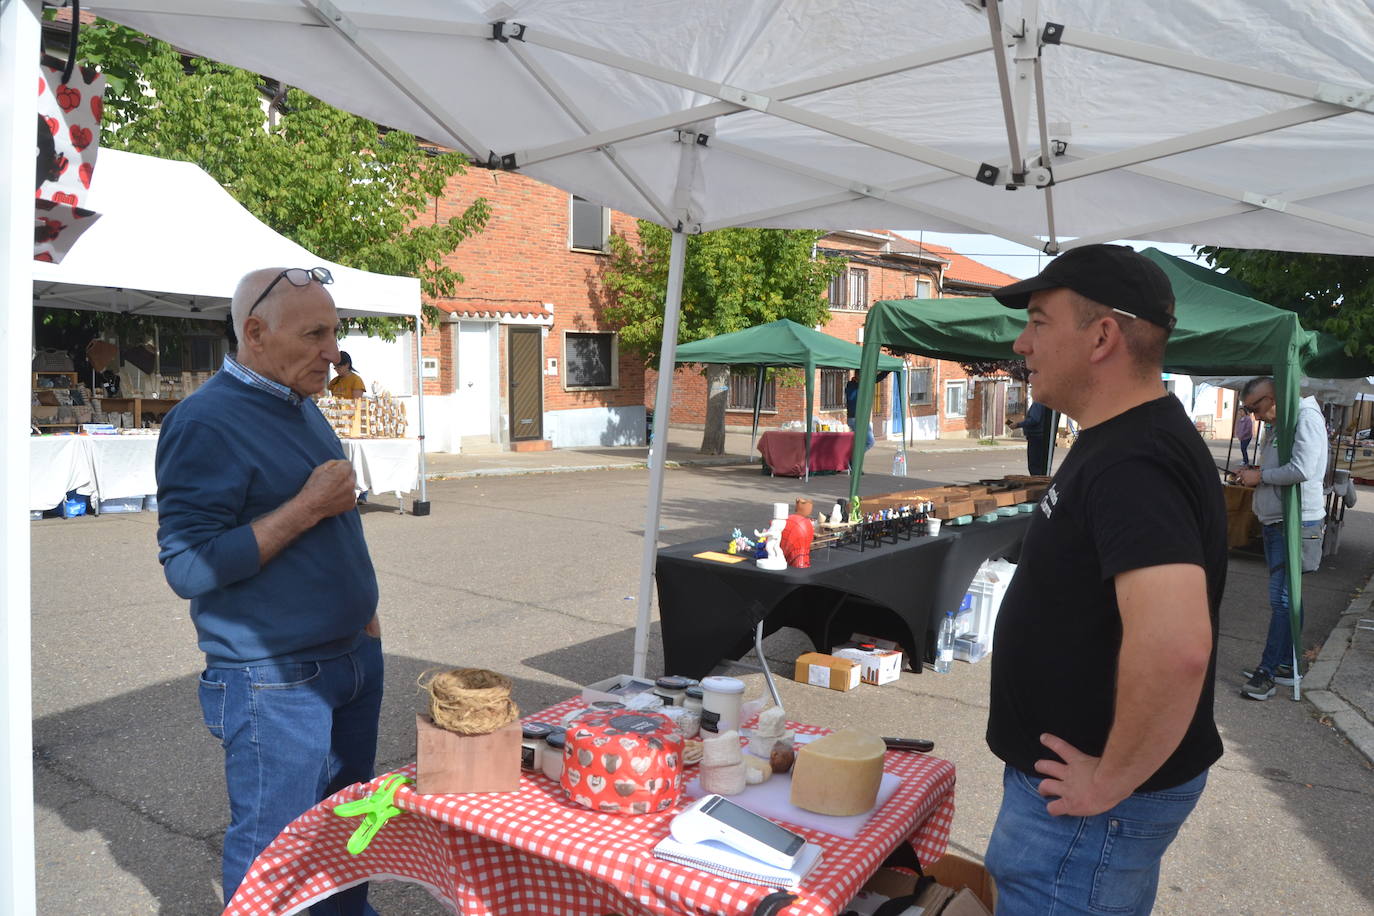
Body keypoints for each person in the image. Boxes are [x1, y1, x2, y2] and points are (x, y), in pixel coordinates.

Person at [983, 245, 1227, 915]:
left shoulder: (1134, 461)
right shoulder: (1121, 439)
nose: (1021, 340)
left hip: (1086, 812)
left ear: (1101, 336)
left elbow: (1178, 646)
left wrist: (1109, 779)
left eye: (1037, 321)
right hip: (1087, 805)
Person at [155, 266, 382, 915]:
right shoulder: (204, 422)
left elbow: (333, 523)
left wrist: (367, 617)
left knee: (348, 830)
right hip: (273, 680)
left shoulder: (300, 403)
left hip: (349, 660)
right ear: (254, 331)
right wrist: (307, 507)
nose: (332, 352)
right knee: (273, 848)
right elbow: (188, 567)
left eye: (334, 333)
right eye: (315, 334)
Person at [1236, 376, 1327, 700]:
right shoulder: (1286, 421)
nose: (1255, 416)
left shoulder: (1305, 417)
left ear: (1273, 396)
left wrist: (1260, 475)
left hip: (1297, 522)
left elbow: (1303, 468)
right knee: (1287, 600)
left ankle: (1268, 671)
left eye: (1255, 407)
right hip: (1281, 520)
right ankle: (1286, 664)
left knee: (1284, 601)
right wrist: (1259, 473)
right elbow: (1288, 466)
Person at [844, 370, 889, 451]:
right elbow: (852, 398)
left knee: (860, 442)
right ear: (857, 375)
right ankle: (852, 459)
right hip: (855, 418)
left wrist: (887, 371)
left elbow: (877, 378)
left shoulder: (864, 384)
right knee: (870, 441)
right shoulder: (851, 385)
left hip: (861, 418)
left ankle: (851, 459)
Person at [1006, 399, 1050, 475]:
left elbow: (1034, 419)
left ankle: (1036, 482)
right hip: (1041, 436)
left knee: (1034, 465)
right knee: (1039, 465)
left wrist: (1018, 424)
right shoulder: (1047, 403)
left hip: (1036, 437)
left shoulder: (1038, 403)